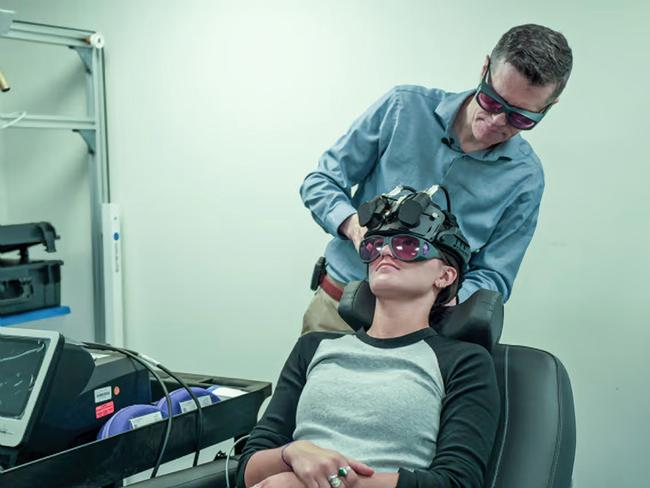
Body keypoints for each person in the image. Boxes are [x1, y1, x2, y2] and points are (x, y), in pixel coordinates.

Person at [300, 24, 573, 334]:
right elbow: (320, 181)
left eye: (521, 117)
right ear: (485, 69)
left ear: (547, 109)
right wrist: (352, 226)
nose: (497, 121)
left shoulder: (525, 178)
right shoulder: (403, 106)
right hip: (338, 309)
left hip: (426, 333)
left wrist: (443, 300)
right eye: (493, 101)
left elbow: (495, 276)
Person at [236, 187, 500, 488]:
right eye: (374, 246)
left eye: (407, 246)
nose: (385, 252)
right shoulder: (313, 347)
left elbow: (457, 483)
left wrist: (324, 483)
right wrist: (291, 454)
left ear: (445, 276)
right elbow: (248, 469)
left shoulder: (464, 361)